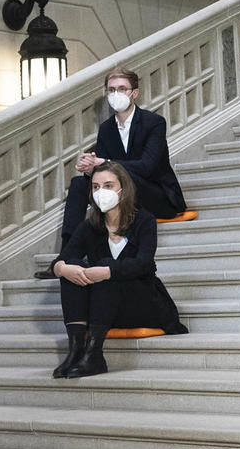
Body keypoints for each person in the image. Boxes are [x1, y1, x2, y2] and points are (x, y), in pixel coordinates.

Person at [48, 162, 186, 378]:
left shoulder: (144, 220)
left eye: (108, 185)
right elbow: (61, 259)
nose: (101, 192)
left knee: (105, 265)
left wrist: (107, 271)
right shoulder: (90, 225)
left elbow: (144, 264)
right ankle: (76, 351)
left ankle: (94, 354)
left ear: (123, 188)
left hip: (142, 302)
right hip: (104, 309)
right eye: (95, 187)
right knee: (72, 270)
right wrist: (62, 269)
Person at [56, 67, 185, 244]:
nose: (116, 94)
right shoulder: (106, 128)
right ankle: (67, 253)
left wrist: (105, 162)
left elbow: (147, 167)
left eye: (122, 89)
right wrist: (91, 168)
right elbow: (103, 170)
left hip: (155, 197)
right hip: (121, 194)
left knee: (124, 176)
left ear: (135, 93)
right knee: (78, 183)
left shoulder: (154, 123)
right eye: (111, 90)